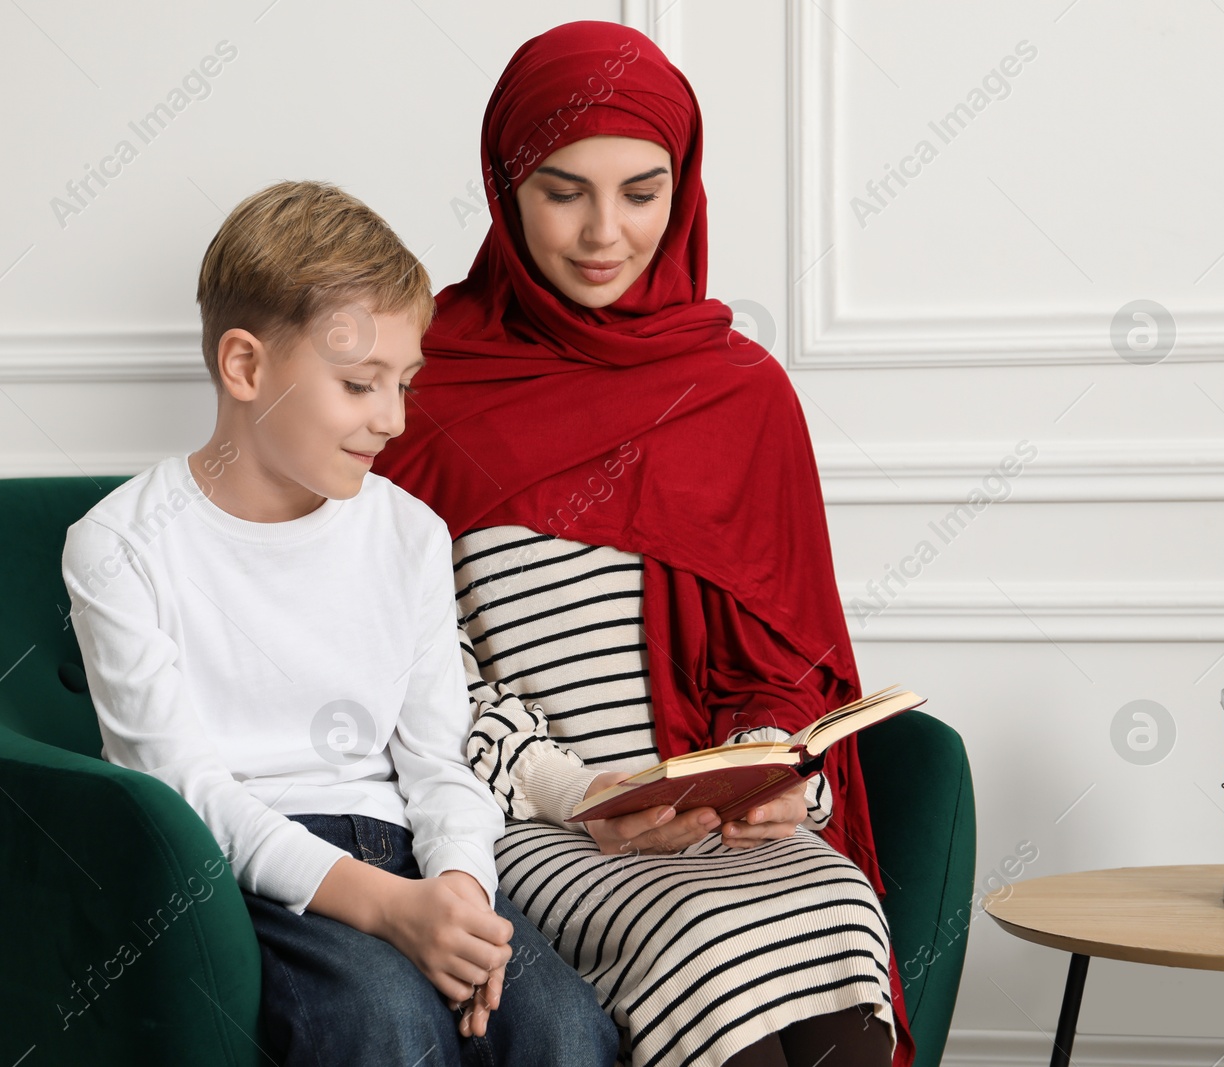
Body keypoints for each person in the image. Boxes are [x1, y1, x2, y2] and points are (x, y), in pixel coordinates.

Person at [374, 22, 914, 1067]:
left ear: (684, 188)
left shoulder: (741, 393)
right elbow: (413, 669)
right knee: (706, 942)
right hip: (530, 817)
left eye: (641, 191)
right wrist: (580, 790)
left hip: (719, 825)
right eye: (562, 190)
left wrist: (773, 780)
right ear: (504, 187)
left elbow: (789, 664)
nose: (602, 233)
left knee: (836, 904)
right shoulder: (425, 386)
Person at [61, 180, 619, 1067]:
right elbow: (187, 793)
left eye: (404, 383)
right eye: (359, 384)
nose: (393, 420)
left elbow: (440, 760)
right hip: (257, 875)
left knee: (565, 1030)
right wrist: (388, 910)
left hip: (412, 852)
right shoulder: (120, 545)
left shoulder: (408, 533)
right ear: (245, 367)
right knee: (384, 1024)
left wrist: (460, 890)